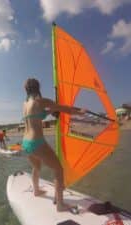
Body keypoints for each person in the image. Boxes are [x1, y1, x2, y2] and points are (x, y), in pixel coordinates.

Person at [22, 78, 86, 214]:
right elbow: (64, 108)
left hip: (26, 143)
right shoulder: (41, 101)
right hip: (36, 142)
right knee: (58, 170)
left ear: (26, 90)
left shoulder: (25, 104)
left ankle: (36, 190)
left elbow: (36, 116)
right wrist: (79, 111)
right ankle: (60, 205)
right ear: (38, 87)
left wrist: (48, 112)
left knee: (36, 166)